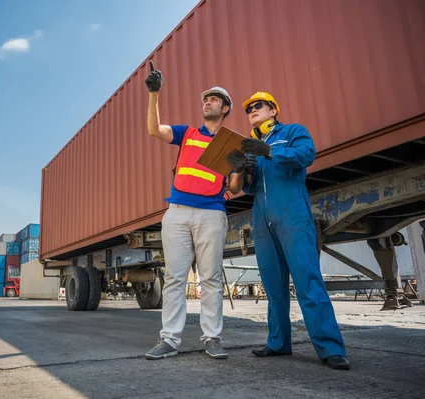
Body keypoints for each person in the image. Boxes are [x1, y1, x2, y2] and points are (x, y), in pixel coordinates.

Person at [226, 91, 351, 370]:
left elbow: (306, 155)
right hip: (262, 217)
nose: (252, 110)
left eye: (258, 106)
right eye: (249, 109)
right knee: (273, 284)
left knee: (307, 278)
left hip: (292, 213)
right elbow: (244, 188)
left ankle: (330, 348)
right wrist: (239, 168)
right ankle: (278, 342)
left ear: (273, 110)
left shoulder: (293, 131)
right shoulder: (251, 148)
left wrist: (269, 150)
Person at [143, 61, 243, 360]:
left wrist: (239, 167)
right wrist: (154, 94)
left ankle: (212, 338)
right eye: (205, 99)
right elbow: (153, 130)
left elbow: (236, 188)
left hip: (211, 214)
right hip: (177, 212)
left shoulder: (230, 142)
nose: (206, 102)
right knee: (174, 277)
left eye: (213, 99)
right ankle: (169, 340)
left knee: (210, 278)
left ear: (225, 108)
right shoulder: (187, 134)